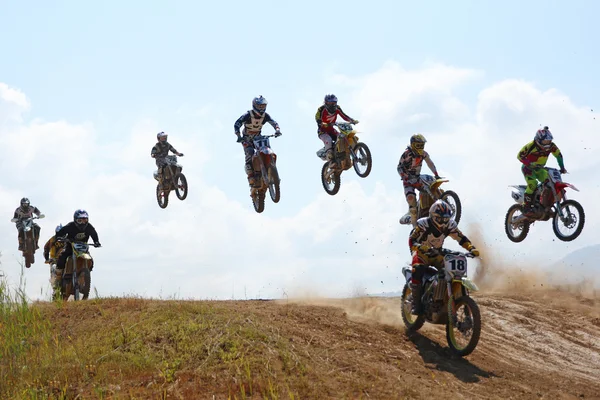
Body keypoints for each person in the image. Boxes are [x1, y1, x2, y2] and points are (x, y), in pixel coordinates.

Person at [407, 200, 480, 315]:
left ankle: (445, 298)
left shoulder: (450, 225)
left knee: (450, 272)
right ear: (433, 216)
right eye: (440, 218)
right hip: (421, 253)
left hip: (437, 253)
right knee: (418, 269)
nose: (443, 221)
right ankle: (416, 304)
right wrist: (419, 247)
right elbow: (412, 239)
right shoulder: (423, 224)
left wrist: (471, 248)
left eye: (446, 218)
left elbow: (461, 238)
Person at [234, 96, 282, 187]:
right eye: (260, 106)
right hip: (246, 138)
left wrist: (277, 130)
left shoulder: (265, 116)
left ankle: (271, 169)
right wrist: (238, 135)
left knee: (267, 148)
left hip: (258, 137)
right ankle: (251, 176)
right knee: (249, 152)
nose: (262, 108)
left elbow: (274, 122)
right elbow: (237, 124)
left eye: (263, 106)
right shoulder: (247, 115)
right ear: (254, 105)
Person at [517, 126, 566, 214]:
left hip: (540, 169)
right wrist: (529, 163)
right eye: (545, 141)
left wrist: (562, 168)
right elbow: (519, 156)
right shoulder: (531, 145)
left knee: (550, 182)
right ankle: (526, 206)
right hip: (528, 169)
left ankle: (544, 204)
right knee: (533, 184)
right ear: (539, 140)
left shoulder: (552, 146)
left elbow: (558, 155)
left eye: (549, 140)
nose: (547, 143)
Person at [397, 134, 440, 227]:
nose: (420, 147)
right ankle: (415, 228)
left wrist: (436, 174)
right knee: (412, 204)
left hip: (418, 177)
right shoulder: (406, 154)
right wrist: (405, 176)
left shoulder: (423, 154)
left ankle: (444, 198)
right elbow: (399, 167)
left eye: (422, 145)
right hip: (408, 181)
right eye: (418, 145)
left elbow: (430, 163)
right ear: (412, 145)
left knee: (433, 182)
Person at [54, 210, 101, 283]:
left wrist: (96, 242)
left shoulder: (89, 226)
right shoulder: (70, 226)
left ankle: (85, 274)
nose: (83, 223)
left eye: (85, 220)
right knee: (62, 257)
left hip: (83, 248)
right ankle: (57, 278)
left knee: (91, 260)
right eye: (80, 220)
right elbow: (61, 232)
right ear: (75, 220)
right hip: (70, 246)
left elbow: (94, 234)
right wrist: (59, 237)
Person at [315, 94, 359, 161]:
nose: (332, 104)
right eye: (330, 102)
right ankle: (329, 155)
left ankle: (343, 154)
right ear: (326, 103)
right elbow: (317, 117)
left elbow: (344, 116)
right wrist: (321, 123)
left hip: (331, 130)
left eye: (334, 102)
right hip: (322, 131)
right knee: (328, 139)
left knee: (342, 138)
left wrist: (352, 120)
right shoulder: (321, 109)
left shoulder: (337, 108)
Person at [43, 224, 67, 296]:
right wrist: (47, 258)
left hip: (66, 259)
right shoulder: (52, 239)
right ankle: (55, 289)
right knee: (54, 269)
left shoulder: (68, 239)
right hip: (54, 260)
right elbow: (46, 248)